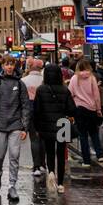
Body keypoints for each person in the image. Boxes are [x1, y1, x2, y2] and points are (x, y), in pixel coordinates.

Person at [0, 54, 30, 202]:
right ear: (3, 66)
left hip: (15, 125)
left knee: (14, 155)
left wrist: (25, 127)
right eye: (7, 64)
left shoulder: (21, 84)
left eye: (12, 64)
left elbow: (25, 106)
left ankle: (12, 185)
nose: (10, 67)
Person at [33, 64, 75, 192]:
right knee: (61, 153)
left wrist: (37, 127)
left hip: (47, 123)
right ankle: (61, 184)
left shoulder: (40, 90)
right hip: (63, 123)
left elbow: (36, 110)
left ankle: (51, 171)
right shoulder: (65, 90)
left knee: (50, 151)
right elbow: (72, 110)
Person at [69, 59, 103, 167]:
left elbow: (70, 94)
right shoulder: (92, 78)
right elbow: (96, 96)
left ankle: (86, 160)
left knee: (82, 135)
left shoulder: (74, 78)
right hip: (91, 109)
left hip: (79, 109)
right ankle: (100, 155)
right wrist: (98, 110)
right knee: (94, 133)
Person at [22, 58, 45, 179]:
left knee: (34, 139)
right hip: (43, 111)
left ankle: (36, 166)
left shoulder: (23, 81)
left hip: (30, 110)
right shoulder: (44, 81)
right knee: (42, 138)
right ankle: (43, 164)